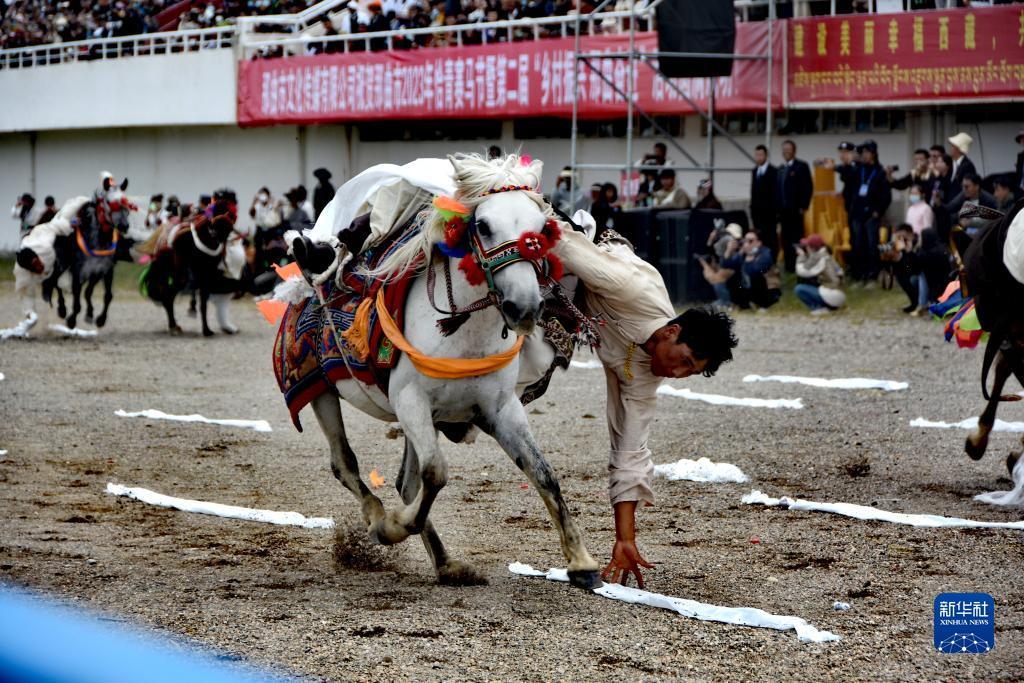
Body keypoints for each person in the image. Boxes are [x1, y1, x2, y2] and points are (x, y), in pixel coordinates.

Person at [551, 224, 738, 588]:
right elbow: (559, 239)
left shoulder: (648, 379)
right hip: (586, 254)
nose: (678, 374)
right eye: (684, 361)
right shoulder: (628, 286)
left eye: (690, 373)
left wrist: (626, 538)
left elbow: (630, 452)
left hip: (576, 308)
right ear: (671, 332)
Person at [846, 140, 891, 285]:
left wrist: (878, 211)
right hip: (858, 214)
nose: (863, 155)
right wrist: (852, 162)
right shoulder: (859, 170)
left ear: (873, 154)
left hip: (872, 215)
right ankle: (860, 274)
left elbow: (886, 196)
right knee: (858, 245)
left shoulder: (879, 172)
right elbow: (847, 180)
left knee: (872, 245)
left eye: (866, 152)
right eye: (862, 152)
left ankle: (873, 275)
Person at [886, 224, 950, 316]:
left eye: (903, 236)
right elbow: (909, 268)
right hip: (922, 276)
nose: (902, 239)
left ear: (910, 233)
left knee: (920, 274)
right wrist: (900, 258)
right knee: (904, 276)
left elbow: (919, 265)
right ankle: (915, 303)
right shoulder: (908, 246)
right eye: (899, 237)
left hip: (938, 283)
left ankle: (922, 305)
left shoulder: (928, 247)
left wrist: (910, 253)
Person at [776, 139, 813, 273]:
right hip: (783, 211)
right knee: (785, 239)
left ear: (794, 151)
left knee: (796, 238)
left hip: (796, 210)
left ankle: (800, 265)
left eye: (788, 149)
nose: (786, 152)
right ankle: (788, 266)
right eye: (784, 150)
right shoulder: (780, 169)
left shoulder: (801, 166)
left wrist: (804, 206)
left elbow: (808, 187)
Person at [720, 231, 781, 311]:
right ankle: (743, 304)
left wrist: (749, 259)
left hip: (767, 289)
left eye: (750, 241)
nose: (746, 244)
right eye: (744, 241)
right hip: (748, 287)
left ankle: (762, 305)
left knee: (757, 279)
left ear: (759, 242)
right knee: (732, 279)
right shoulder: (743, 254)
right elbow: (726, 265)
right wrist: (729, 250)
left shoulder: (766, 253)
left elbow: (757, 271)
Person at [794, 234, 845, 315]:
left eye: (807, 246)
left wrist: (801, 256)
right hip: (840, 295)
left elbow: (801, 271)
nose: (806, 248)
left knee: (799, 289)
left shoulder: (818, 257)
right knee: (814, 284)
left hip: (832, 296)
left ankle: (818, 308)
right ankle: (829, 307)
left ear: (812, 248)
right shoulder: (827, 255)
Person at [749, 144, 779, 259]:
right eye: (756, 155)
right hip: (757, 212)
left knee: (770, 238)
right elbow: (753, 191)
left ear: (766, 156)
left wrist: (776, 212)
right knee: (759, 237)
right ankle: (760, 259)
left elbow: (775, 193)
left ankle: (772, 261)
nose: (758, 157)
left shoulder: (773, 171)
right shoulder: (754, 171)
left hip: (769, 213)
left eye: (761, 155)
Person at [1015, 129, 1024, 195]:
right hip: (1021, 189)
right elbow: (1019, 174)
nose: (1023, 141)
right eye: (1021, 139)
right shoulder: (1020, 156)